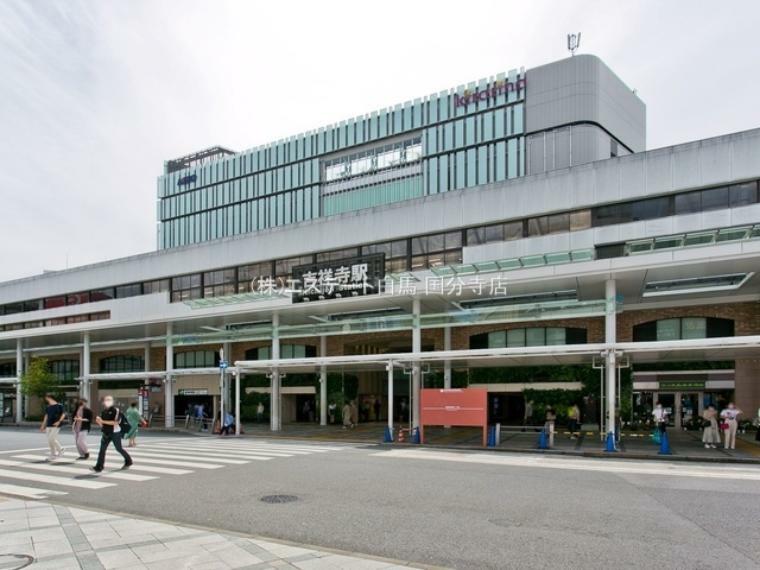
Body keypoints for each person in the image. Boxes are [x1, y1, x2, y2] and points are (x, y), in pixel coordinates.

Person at [92, 395, 132, 473]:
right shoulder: (104, 411)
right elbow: (103, 424)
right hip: (106, 433)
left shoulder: (116, 410)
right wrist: (99, 422)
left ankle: (128, 460)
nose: (107, 401)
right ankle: (99, 467)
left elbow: (116, 422)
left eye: (109, 400)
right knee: (102, 450)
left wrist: (102, 421)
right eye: (106, 400)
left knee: (118, 448)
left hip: (115, 433)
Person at [40, 394, 66, 461]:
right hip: (48, 425)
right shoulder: (48, 407)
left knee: (51, 439)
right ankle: (57, 452)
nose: (46, 399)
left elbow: (63, 414)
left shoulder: (59, 406)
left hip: (56, 425)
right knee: (50, 440)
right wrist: (43, 425)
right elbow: (46, 417)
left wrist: (59, 421)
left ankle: (57, 452)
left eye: (46, 398)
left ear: (49, 398)